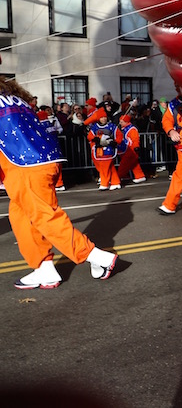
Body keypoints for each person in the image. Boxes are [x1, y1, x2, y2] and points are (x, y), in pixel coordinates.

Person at [0, 78, 119, 289]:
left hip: (25, 167)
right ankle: (43, 267)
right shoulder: (18, 101)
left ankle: (96, 256)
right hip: (43, 162)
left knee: (45, 216)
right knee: (21, 217)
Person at [84, 105, 123, 191]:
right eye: (102, 117)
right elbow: (90, 136)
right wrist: (95, 139)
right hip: (99, 149)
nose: (104, 119)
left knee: (105, 166)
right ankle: (115, 182)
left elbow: (119, 135)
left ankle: (104, 183)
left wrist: (115, 142)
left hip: (109, 148)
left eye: (105, 117)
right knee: (109, 166)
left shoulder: (112, 126)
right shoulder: (95, 127)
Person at [118, 114, 147, 184]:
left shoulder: (132, 129)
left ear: (126, 122)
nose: (120, 123)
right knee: (134, 165)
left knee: (124, 165)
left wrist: (136, 147)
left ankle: (116, 178)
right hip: (126, 149)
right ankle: (140, 176)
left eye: (121, 122)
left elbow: (135, 139)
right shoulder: (124, 129)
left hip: (131, 150)